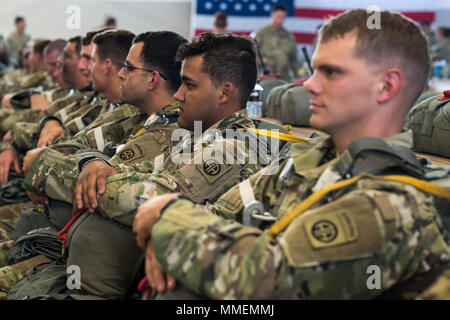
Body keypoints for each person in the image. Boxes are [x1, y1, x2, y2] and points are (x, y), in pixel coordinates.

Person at [133, 9, 450, 299]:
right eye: (314, 70)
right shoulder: (306, 160)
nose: (309, 85)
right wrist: (170, 236)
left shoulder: (389, 201)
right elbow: (217, 213)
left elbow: (264, 279)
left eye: (331, 72)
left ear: (386, 86)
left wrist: (166, 214)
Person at [255, 4, 299, 81]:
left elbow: (293, 58)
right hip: (266, 75)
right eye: (278, 17)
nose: (280, 20)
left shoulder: (288, 36)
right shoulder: (262, 33)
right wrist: (260, 60)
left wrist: (296, 74)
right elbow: (253, 51)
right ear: (272, 15)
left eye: (282, 17)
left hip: (284, 76)